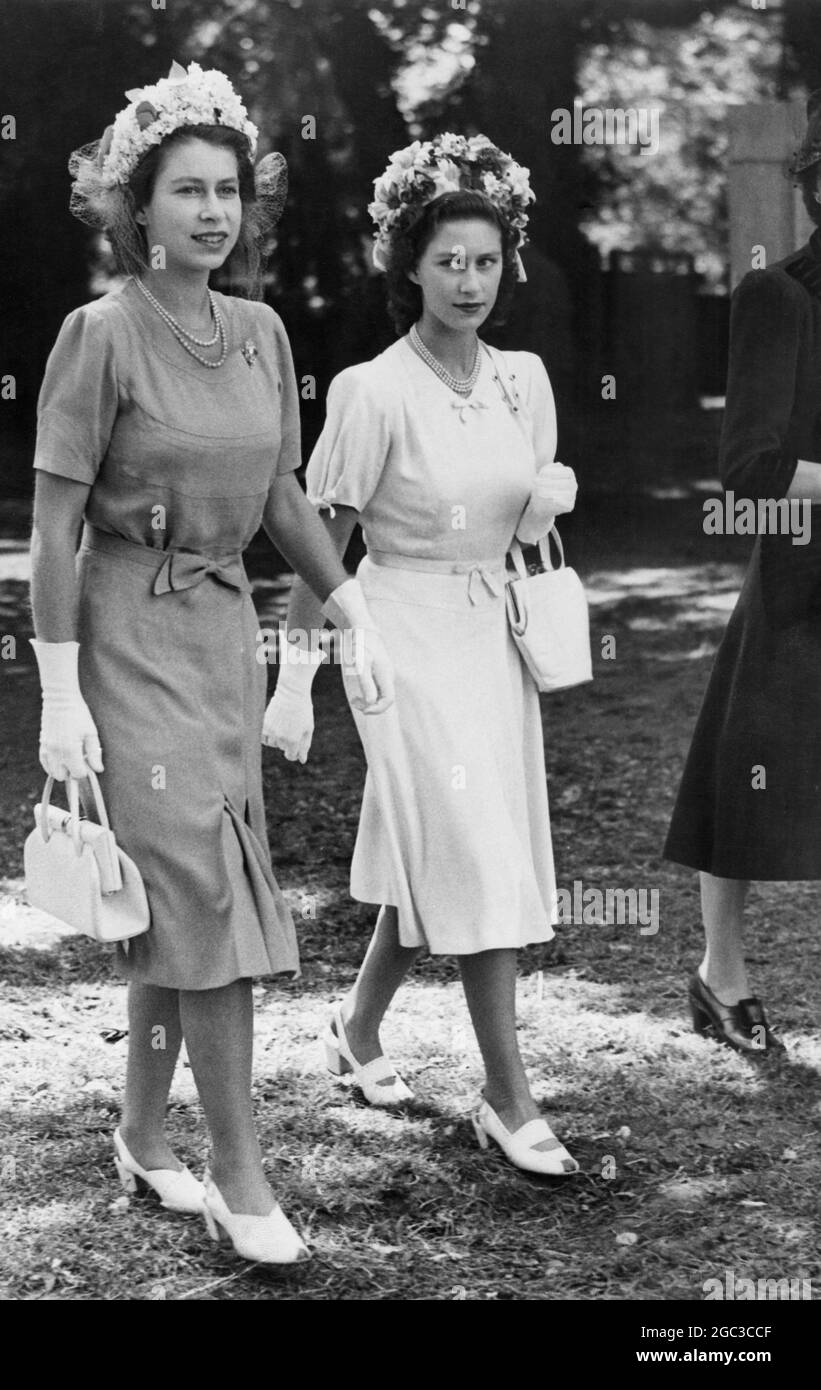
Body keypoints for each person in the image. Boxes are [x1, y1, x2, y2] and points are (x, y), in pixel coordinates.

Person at [29, 62, 394, 1264]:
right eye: (185, 190)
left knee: (180, 897)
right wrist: (57, 696)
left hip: (223, 635)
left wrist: (353, 607)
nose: (210, 212)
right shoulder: (98, 334)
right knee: (204, 895)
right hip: (127, 631)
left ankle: (142, 1129)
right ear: (137, 206)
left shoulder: (259, 331)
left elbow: (285, 496)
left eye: (227, 190)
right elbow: (52, 532)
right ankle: (243, 1174)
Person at [263, 134, 580, 1176]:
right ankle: (507, 1095)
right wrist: (294, 678)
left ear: (507, 265)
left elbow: (519, 524)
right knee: (478, 850)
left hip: (492, 633)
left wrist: (542, 501)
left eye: (485, 261)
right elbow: (322, 545)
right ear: (409, 269)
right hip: (395, 636)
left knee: (442, 848)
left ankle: (354, 1031)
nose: (468, 280)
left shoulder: (522, 381)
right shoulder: (370, 390)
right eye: (447, 260)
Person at [663, 91, 821, 1057]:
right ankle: (720, 977)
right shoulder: (781, 296)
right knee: (743, 776)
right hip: (805, 575)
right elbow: (749, 468)